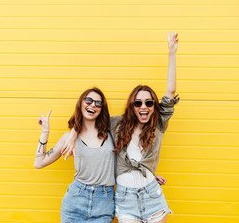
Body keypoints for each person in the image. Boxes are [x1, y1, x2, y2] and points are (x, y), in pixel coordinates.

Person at [62, 31, 179, 223]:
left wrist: (172, 52)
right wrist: (73, 134)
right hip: (125, 199)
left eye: (149, 103)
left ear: (154, 107)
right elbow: (89, 117)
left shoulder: (158, 124)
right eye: (138, 103)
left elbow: (170, 92)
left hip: (152, 195)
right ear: (131, 106)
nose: (143, 107)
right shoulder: (117, 124)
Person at [34, 87, 116, 223]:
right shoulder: (68, 137)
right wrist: (45, 131)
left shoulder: (112, 132)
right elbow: (39, 163)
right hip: (75, 200)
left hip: (104, 203)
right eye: (88, 100)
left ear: (102, 108)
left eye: (98, 103)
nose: (93, 105)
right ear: (81, 104)